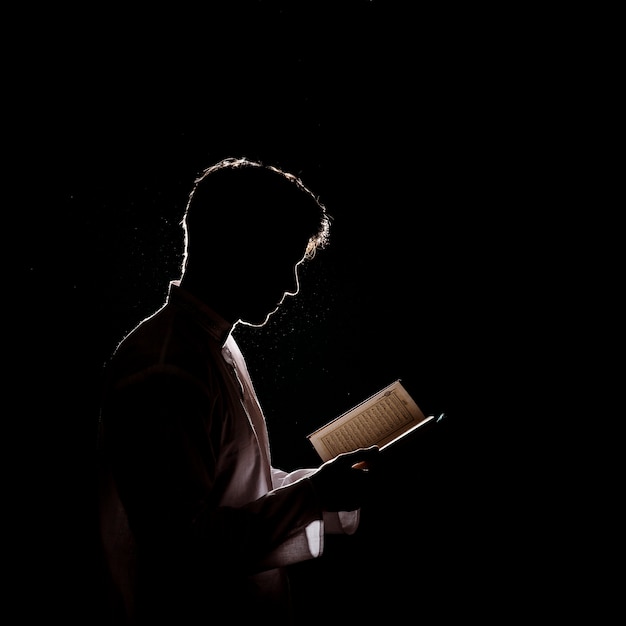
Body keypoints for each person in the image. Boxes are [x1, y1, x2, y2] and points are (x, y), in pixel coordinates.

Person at [96, 156, 380, 625]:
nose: (291, 287)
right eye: (283, 260)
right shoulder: (166, 371)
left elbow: (229, 487)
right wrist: (315, 493)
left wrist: (324, 485)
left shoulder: (214, 344)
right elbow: (186, 550)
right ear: (237, 246)